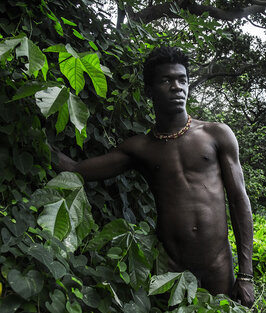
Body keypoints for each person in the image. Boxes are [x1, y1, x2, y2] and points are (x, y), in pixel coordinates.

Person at [54, 47, 254, 307]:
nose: (177, 87)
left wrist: (246, 274)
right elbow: (75, 170)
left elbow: (240, 200)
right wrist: (31, 133)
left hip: (218, 265)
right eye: (166, 80)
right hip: (170, 268)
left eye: (182, 80)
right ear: (149, 91)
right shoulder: (141, 148)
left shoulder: (216, 134)